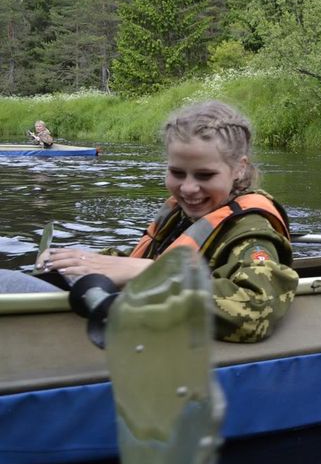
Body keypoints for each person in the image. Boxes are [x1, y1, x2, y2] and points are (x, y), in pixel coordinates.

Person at [5, 101, 298, 343]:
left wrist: (151, 272)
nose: (188, 188)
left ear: (239, 169)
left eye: (205, 175)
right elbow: (145, 260)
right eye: (177, 173)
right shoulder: (183, 215)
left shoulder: (252, 234)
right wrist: (79, 261)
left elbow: (258, 311)